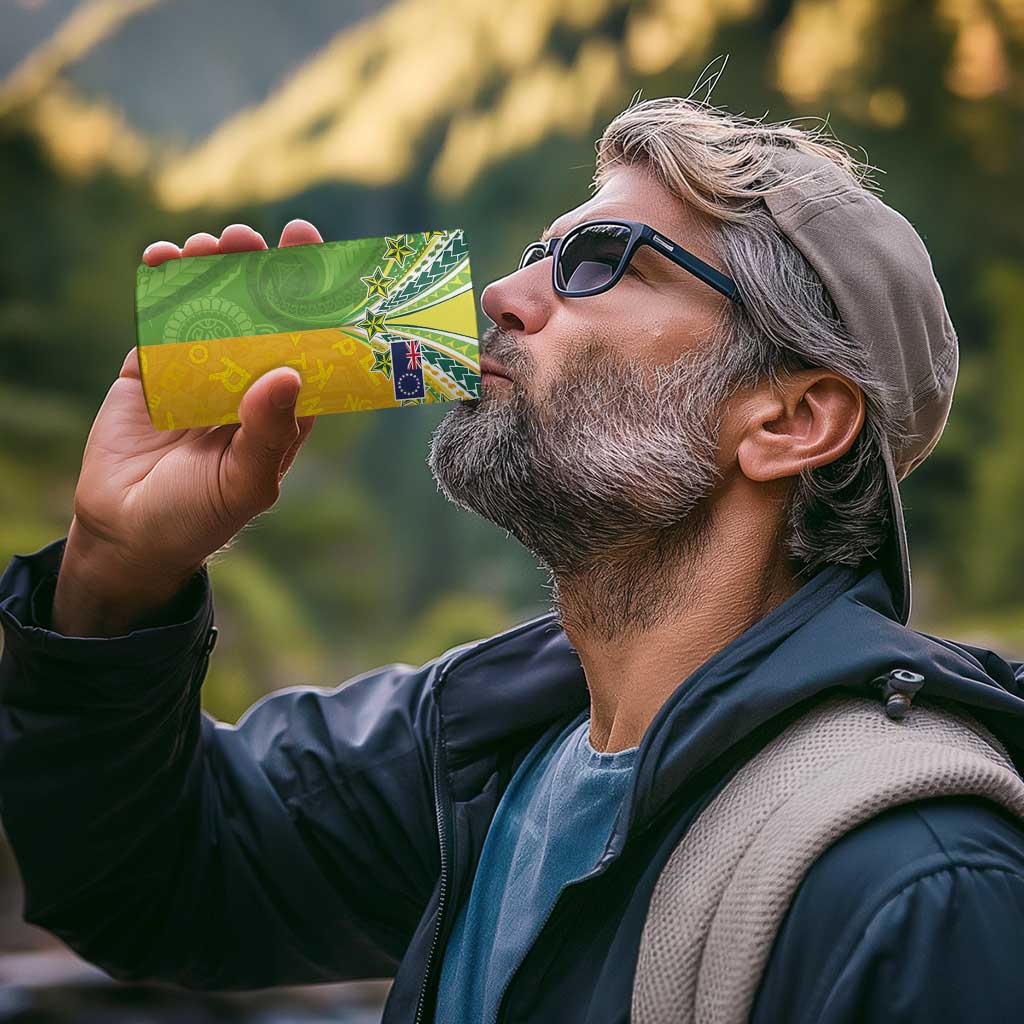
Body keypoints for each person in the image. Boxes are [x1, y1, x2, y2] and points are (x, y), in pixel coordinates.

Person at [2, 94, 1024, 1024]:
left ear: (790, 419)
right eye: (540, 252)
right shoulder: (479, 749)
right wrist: (115, 572)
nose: (502, 291)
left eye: (600, 261)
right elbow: (149, 880)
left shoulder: (918, 884)